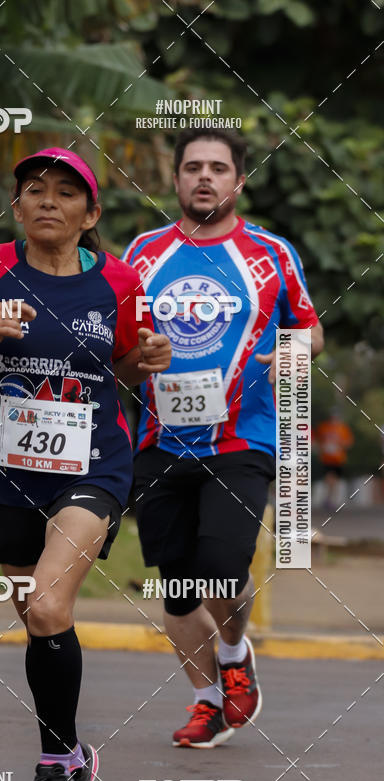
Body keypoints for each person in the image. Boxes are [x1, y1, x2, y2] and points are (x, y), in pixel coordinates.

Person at [0, 147, 171, 781]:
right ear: (17, 206)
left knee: (48, 603)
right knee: (38, 619)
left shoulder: (120, 281)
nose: (48, 201)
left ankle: (55, 769)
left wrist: (146, 359)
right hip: (8, 473)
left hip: (94, 465)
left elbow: (123, 366)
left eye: (66, 192)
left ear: (90, 214)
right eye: (35, 190)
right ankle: (73, 755)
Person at [123, 127, 324, 748]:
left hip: (242, 438)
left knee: (220, 568)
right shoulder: (142, 254)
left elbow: (310, 331)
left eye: (217, 167)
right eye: (193, 167)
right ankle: (208, 700)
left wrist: (290, 353)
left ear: (239, 180)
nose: (204, 177)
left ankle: (234, 652)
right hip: (159, 440)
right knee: (179, 591)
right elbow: (121, 338)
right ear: (176, 180)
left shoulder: (271, 254)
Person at [314, 411, 353, 509]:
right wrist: (323, 447)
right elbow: (317, 441)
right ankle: (329, 499)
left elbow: (348, 443)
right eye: (332, 417)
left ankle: (331, 499)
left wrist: (339, 445)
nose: (334, 419)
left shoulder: (343, 428)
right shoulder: (323, 427)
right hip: (326, 459)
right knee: (329, 478)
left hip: (338, 459)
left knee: (335, 481)